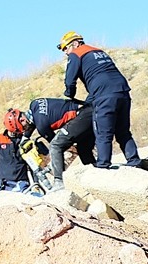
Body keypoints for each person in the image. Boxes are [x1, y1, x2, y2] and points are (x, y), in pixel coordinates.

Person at [58, 31, 141, 169]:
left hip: (104, 95)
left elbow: (70, 80)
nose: (65, 52)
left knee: (103, 133)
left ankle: (103, 166)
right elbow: (102, 73)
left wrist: (69, 94)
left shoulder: (76, 54)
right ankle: (135, 162)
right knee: (123, 132)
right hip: (122, 91)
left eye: (66, 48)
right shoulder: (98, 51)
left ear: (75, 43)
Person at [25, 97, 97, 189]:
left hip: (81, 116)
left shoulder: (42, 126)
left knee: (55, 146)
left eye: (23, 129)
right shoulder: (34, 103)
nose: (25, 130)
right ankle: (96, 171)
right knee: (83, 150)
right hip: (88, 110)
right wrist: (25, 137)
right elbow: (34, 121)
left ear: (23, 120)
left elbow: (58, 144)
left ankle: (59, 182)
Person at [0, 110, 31, 192]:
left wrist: (36, 184)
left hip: (22, 184)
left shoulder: (25, 141)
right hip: (3, 184)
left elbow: (32, 164)